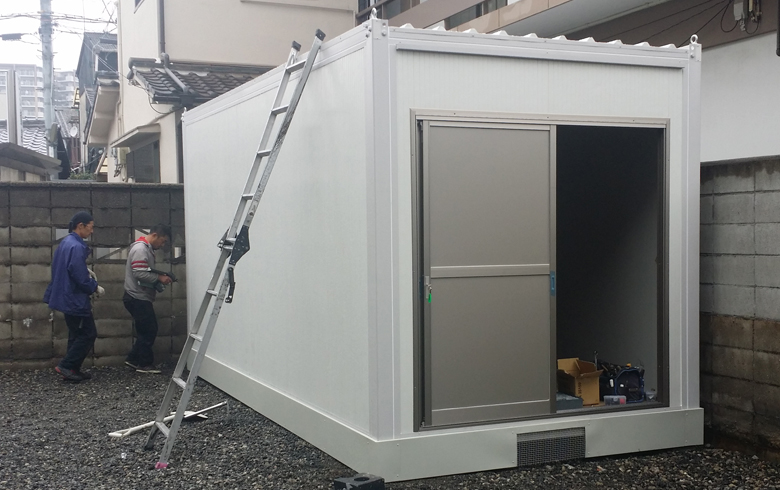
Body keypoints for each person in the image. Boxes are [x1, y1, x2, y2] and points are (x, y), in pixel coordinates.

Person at [44, 211, 105, 382]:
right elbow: (78, 275)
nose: (92, 231)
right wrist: (94, 287)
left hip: (65, 296)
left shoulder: (66, 243)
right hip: (74, 298)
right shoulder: (77, 246)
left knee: (76, 334)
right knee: (88, 333)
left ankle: (72, 370)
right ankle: (66, 365)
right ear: (81, 226)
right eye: (90, 227)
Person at [123, 224, 172, 373]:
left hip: (137, 296)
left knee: (145, 330)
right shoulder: (141, 249)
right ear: (155, 235)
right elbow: (139, 273)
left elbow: (143, 271)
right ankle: (144, 364)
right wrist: (159, 278)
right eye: (163, 241)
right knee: (150, 329)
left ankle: (133, 359)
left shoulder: (145, 249)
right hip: (137, 296)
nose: (162, 245)